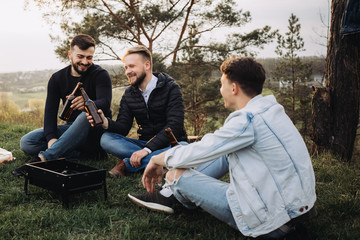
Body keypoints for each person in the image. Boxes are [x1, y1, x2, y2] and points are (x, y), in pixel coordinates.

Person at [128, 56, 317, 239]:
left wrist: (156, 158)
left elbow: (200, 151)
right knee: (225, 153)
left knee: (174, 175)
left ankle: (173, 194)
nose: (220, 89)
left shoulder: (246, 119)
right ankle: (172, 195)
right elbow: (213, 145)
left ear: (233, 88)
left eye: (221, 83)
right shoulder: (271, 109)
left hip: (271, 222)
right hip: (301, 209)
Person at [87, 45, 187, 178]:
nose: (128, 71)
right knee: (106, 139)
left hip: (171, 143)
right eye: (126, 67)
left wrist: (147, 150)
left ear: (147, 65)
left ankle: (127, 164)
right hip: (143, 143)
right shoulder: (129, 94)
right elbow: (123, 127)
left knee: (183, 148)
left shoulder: (170, 88)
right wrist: (105, 122)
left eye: (132, 66)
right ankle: (161, 162)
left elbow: (175, 125)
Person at [16, 34, 112, 172]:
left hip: (95, 131)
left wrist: (87, 103)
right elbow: (50, 113)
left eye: (89, 57)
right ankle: (79, 153)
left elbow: (105, 102)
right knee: (27, 142)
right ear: (70, 54)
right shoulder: (57, 79)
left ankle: (44, 159)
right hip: (70, 130)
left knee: (86, 114)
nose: (85, 62)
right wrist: (51, 139)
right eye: (80, 56)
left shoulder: (101, 74)